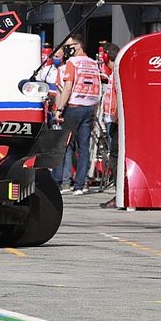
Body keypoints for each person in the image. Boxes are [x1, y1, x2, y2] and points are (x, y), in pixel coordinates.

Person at [52, 38, 101, 195]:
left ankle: (63, 182)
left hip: (73, 107)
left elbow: (67, 88)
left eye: (69, 47)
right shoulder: (93, 63)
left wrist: (59, 109)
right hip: (89, 107)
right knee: (84, 148)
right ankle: (81, 184)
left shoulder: (73, 62)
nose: (66, 50)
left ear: (78, 46)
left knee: (64, 145)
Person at [99, 43, 120, 209]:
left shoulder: (117, 74)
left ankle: (119, 192)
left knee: (115, 156)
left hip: (116, 121)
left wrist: (114, 117)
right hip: (113, 119)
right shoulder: (114, 73)